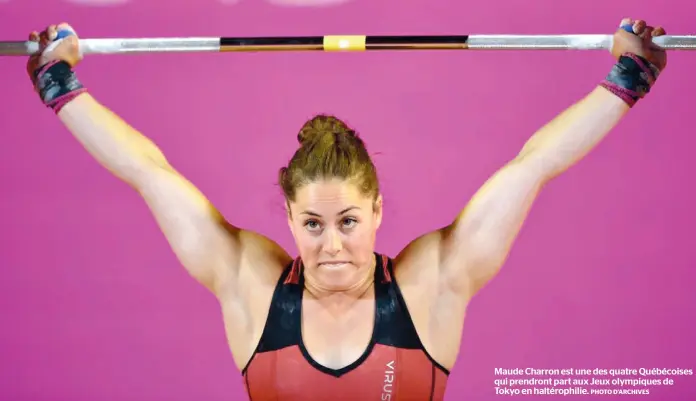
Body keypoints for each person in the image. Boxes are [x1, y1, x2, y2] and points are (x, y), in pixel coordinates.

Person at [25, 17, 667, 401]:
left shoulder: (430, 284)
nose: (331, 245)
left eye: (348, 222)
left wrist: (626, 79)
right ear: (288, 220)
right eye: (312, 224)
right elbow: (148, 171)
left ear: (379, 211)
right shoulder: (250, 283)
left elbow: (533, 165)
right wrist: (61, 84)